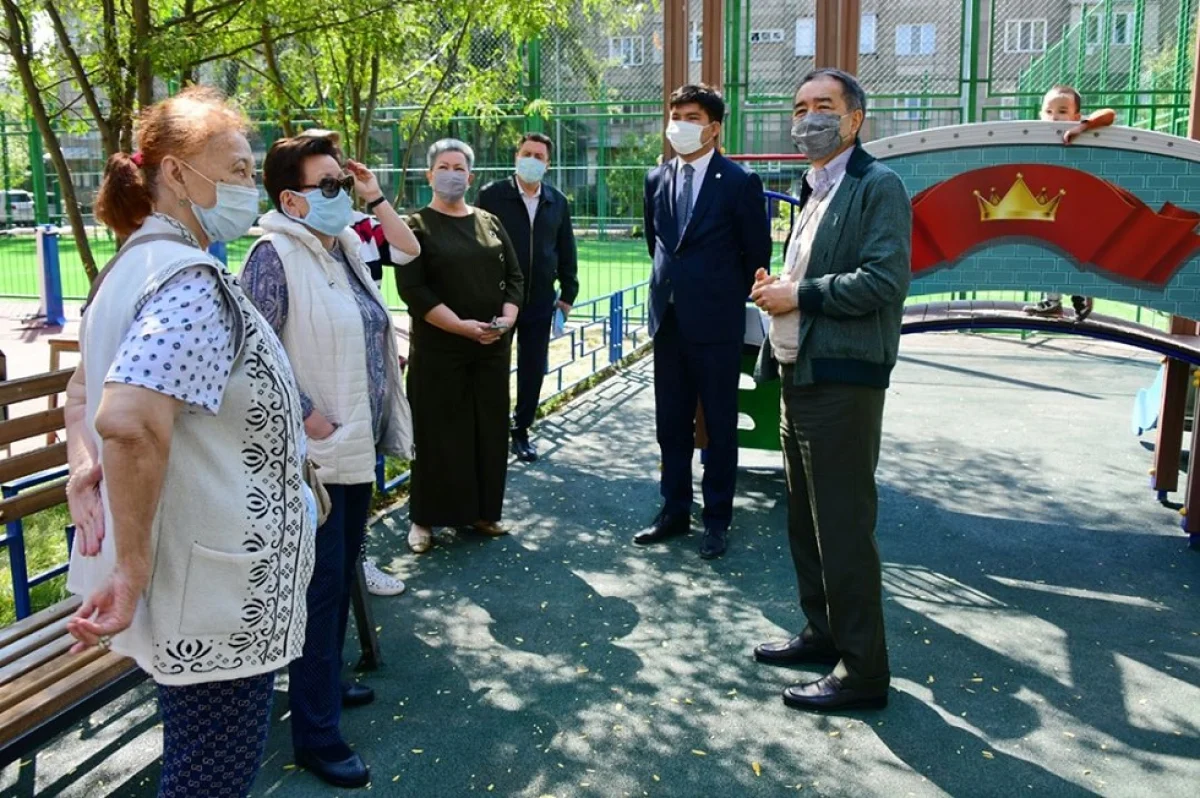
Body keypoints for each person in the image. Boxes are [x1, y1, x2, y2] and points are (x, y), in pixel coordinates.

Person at [62, 86, 316, 797]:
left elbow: (84, 396)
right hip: (210, 592)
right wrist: (134, 569)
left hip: (195, 583)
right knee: (210, 779)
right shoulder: (188, 281)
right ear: (175, 173)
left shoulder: (130, 266)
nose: (247, 187)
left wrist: (83, 471)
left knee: (198, 766)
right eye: (235, 170)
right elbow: (129, 419)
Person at [240, 131, 416, 789]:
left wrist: (372, 195)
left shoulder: (339, 245)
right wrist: (312, 416)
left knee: (339, 579)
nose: (342, 194)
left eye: (345, 183)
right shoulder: (272, 256)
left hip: (354, 448)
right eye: (331, 185)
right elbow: (253, 358)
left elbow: (408, 247)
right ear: (291, 198)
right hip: (312, 457)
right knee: (319, 590)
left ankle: (328, 685)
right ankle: (317, 735)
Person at [750, 68, 911, 712]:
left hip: (844, 381)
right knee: (805, 521)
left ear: (854, 120)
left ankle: (864, 672)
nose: (808, 117)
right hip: (800, 373)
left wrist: (801, 293)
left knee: (842, 526)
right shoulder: (812, 188)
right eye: (800, 107)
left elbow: (883, 280)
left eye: (824, 106)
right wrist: (779, 285)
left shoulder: (879, 185)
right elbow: (810, 275)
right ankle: (825, 634)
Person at [636, 83, 771, 559]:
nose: (680, 126)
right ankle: (674, 510)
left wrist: (714, 296)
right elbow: (657, 244)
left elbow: (757, 254)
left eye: (692, 117)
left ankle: (717, 519)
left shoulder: (739, 182)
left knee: (719, 426)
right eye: (675, 115)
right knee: (670, 425)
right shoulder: (656, 179)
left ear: (713, 128)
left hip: (716, 326)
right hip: (668, 323)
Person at [396, 139, 524, 553]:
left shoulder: (490, 221)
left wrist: (505, 320)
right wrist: (461, 327)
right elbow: (414, 290)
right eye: (443, 166)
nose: (452, 173)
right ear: (429, 174)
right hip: (439, 350)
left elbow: (517, 277)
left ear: (471, 176)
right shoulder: (414, 226)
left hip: (491, 348)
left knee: (487, 430)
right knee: (436, 434)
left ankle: (483, 512)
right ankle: (424, 519)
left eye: (460, 167)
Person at [477, 132, 579, 463]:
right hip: (498, 298)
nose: (532, 160)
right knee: (493, 365)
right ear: (516, 156)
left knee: (533, 367)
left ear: (548, 164)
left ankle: (521, 430)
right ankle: (490, 430)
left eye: (539, 156)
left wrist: (568, 293)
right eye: (527, 153)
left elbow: (566, 249)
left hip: (539, 300)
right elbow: (476, 245)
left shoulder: (557, 201)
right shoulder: (492, 196)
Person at [1023, 85, 1116, 321]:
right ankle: (1052, 302)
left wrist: (1082, 127)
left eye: (1063, 111)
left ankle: (1081, 294)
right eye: (1049, 111)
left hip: (1074, 204)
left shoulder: (1078, 130)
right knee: (1046, 247)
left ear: (1075, 116)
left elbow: (1109, 114)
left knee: (1074, 250)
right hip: (1046, 204)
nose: (1055, 117)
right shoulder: (1033, 135)